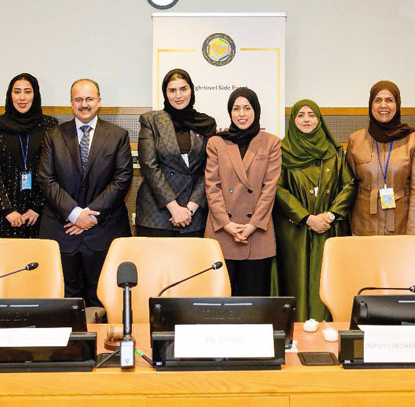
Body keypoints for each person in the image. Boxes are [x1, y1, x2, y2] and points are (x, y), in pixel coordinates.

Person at [38, 79, 132, 308]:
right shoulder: (53, 135)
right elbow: (46, 179)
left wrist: (88, 216)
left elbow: (122, 180)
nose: (84, 105)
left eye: (89, 99)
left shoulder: (118, 135)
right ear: (71, 103)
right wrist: (74, 214)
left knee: (103, 300)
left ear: (99, 101)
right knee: (64, 302)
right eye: (78, 99)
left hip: (103, 231)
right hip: (62, 231)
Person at [272, 99, 355, 321]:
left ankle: (328, 335)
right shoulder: (281, 151)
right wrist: (306, 218)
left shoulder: (335, 152)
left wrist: (329, 215)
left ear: (319, 120)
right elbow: (277, 189)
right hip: (295, 232)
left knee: (326, 282)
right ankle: (296, 335)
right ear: (293, 121)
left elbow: (350, 184)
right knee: (295, 283)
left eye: (311, 114)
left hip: (329, 228)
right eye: (300, 115)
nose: (306, 119)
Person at [205, 87, 281, 296]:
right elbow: (212, 187)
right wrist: (227, 224)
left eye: (247, 108)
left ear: (256, 110)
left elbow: (269, 189)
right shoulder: (216, 142)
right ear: (230, 112)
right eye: (236, 108)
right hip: (222, 231)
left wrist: (252, 225)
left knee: (254, 306)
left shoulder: (270, 142)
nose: (241, 114)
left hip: (257, 233)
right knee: (220, 305)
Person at [136, 69, 216, 237]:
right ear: (165, 93)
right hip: (156, 214)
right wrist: (174, 208)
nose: (178, 95)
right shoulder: (151, 120)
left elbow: (209, 170)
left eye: (183, 89)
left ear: (191, 91)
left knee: (194, 264)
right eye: (172, 90)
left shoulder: (206, 123)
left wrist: (190, 209)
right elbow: (149, 166)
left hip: (193, 215)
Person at [0, 73, 59, 239]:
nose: (22, 97)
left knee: (38, 261)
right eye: (17, 92)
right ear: (10, 95)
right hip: (1, 213)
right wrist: (7, 209)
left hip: (37, 213)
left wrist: (37, 207)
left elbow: (53, 169)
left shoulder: (50, 126)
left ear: (35, 95)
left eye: (27, 91)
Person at [346, 81, 415, 236]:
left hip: (400, 227)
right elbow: (350, 187)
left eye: (389, 100)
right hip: (363, 227)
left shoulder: (413, 140)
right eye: (378, 100)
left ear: (397, 104)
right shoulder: (355, 140)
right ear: (371, 105)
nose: (383, 105)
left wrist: (413, 236)